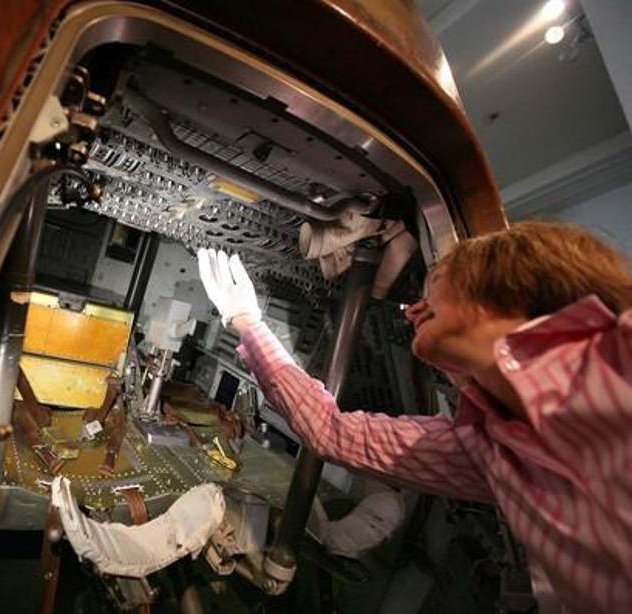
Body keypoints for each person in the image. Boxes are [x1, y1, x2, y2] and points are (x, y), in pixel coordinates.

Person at [196, 221, 632, 612]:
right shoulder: (488, 446)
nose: (412, 311)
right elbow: (331, 433)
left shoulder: (619, 361)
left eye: (435, 285)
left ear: (508, 287)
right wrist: (246, 322)